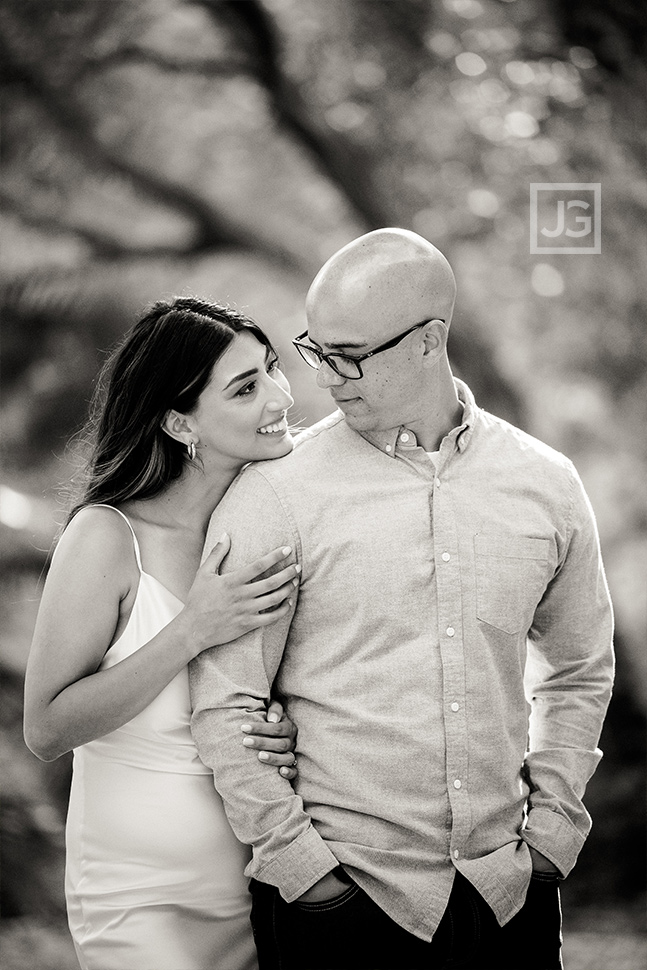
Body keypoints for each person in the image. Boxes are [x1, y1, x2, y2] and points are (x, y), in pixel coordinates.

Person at [189, 229, 615, 970]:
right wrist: (305, 874)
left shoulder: (545, 482)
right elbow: (226, 703)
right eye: (316, 350)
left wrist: (551, 832)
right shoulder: (274, 495)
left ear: (428, 341)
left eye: (348, 355)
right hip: (339, 904)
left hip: (505, 895)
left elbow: (578, 667)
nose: (325, 378)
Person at [23, 297, 305, 970]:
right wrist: (193, 628)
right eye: (245, 387)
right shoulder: (105, 537)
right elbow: (47, 728)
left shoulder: (266, 528)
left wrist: (288, 728)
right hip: (139, 902)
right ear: (181, 422)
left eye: (270, 369)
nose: (279, 396)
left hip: (259, 889)